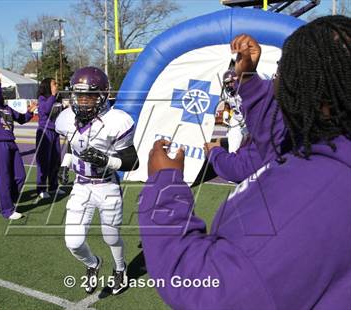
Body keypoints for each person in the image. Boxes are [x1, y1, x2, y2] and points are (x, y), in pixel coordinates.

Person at [138, 16, 351, 309]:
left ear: (320, 96)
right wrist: (248, 80)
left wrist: (165, 186)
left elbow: (209, 290)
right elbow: (277, 138)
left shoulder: (315, 195)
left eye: (284, 77)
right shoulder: (328, 143)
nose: (277, 84)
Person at [55, 67, 139, 295]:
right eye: (78, 95)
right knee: (73, 242)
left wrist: (106, 160)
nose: (82, 102)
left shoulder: (116, 121)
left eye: (89, 96)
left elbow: (133, 162)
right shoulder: (67, 119)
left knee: (111, 236)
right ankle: (93, 264)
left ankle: (120, 269)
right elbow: (75, 145)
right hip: (81, 185)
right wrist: (65, 165)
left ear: (102, 96)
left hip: (107, 185)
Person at [0, 68, 38, 220]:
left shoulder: (6, 108)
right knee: (4, 178)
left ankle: (9, 200)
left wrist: (30, 111)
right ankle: (7, 210)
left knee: (20, 176)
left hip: (11, 144)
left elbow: (21, 119)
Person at [36, 78, 65, 199]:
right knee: (44, 162)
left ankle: (53, 186)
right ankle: (41, 189)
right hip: (45, 133)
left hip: (55, 133)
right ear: (47, 86)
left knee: (55, 161)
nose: (56, 86)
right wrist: (53, 96)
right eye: (54, 84)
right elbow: (47, 109)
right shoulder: (42, 98)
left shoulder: (57, 99)